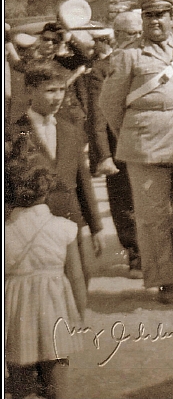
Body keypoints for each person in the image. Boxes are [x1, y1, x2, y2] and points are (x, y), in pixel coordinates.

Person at [100, 0, 173, 305]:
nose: (154, 21)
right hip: (145, 145)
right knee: (152, 217)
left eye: (160, 14)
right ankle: (165, 280)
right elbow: (110, 104)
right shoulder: (128, 55)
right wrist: (133, 134)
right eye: (148, 15)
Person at [9, 60, 104, 285]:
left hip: (70, 218)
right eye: (50, 90)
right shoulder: (14, 134)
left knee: (78, 278)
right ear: (30, 91)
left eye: (62, 90)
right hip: (30, 223)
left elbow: (83, 182)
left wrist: (96, 226)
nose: (58, 97)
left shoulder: (70, 130)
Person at [5, 146, 87, 399]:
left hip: (15, 316)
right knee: (58, 377)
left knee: (18, 380)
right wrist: (79, 315)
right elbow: (76, 277)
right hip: (55, 314)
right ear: (47, 189)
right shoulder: (64, 229)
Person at [88, 10, 143, 278]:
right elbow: (98, 117)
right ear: (117, 36)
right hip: (119, 145)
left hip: (150, 143)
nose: (136, 39)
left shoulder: (154, 62)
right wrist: (104, 156)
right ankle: (135, 253)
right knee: (125, 202)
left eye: (138, 33)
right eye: (130, 34)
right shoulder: (101, 69)